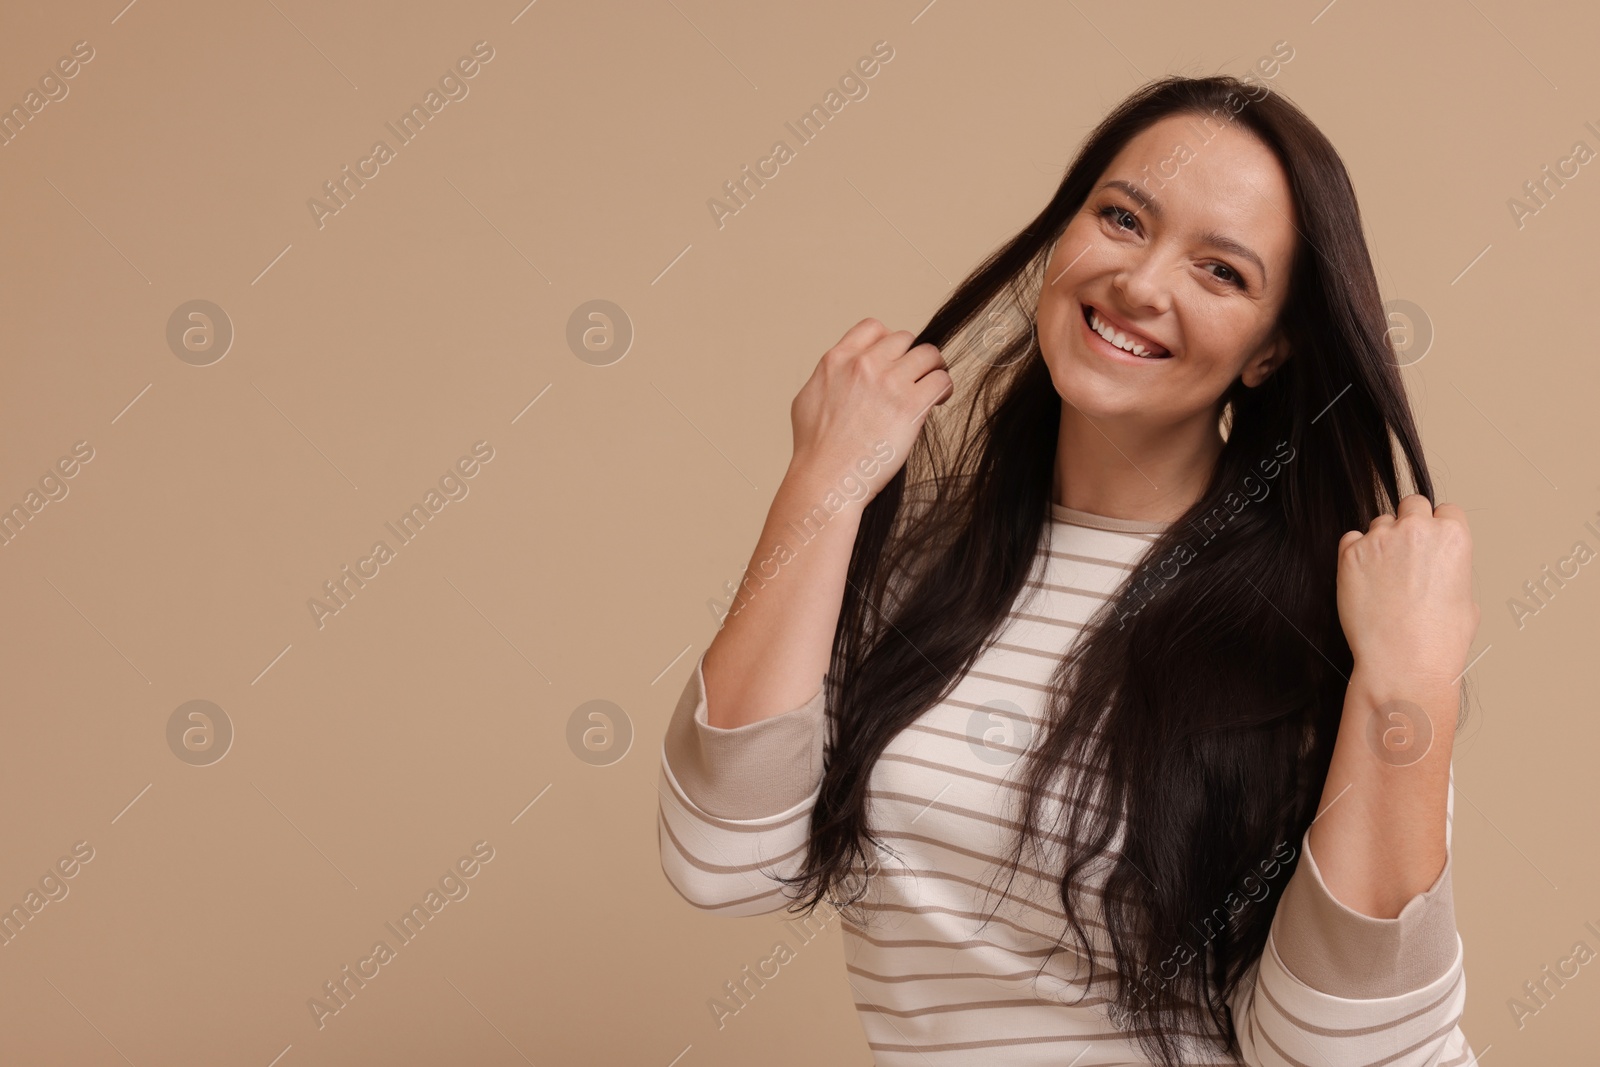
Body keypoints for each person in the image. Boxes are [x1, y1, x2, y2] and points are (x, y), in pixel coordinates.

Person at [657, 74, 1480, 1066]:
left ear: (1269, 353)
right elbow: (722, 857)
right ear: (1063, 232)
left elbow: (1343, 1054)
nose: (1141, 283)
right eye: (1122, 217)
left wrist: (1409, 683)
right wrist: (823, 482)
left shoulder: (1321, 628)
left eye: (1221, 272)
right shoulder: (915, 577)